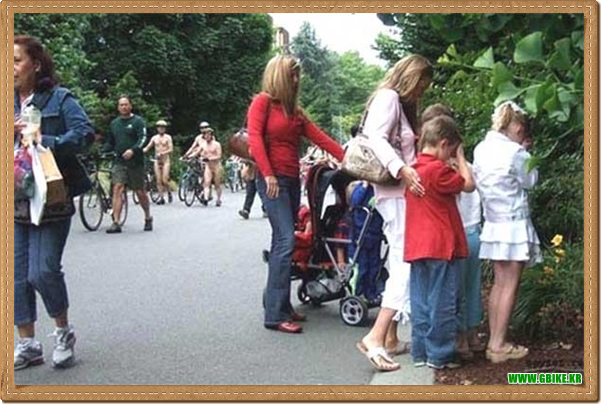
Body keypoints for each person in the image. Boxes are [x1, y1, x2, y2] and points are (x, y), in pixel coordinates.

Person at [248, 54, 345, 334]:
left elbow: (320, 137)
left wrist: (350, 157)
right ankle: (275, 315)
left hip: (290, 181)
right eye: (291, 74)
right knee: (285, 240)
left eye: (297, 74)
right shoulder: (262, 103)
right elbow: (255, 139)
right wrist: (268, 174)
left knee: (282, 241)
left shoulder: (295, 112)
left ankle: (279, 304)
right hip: (272, 181)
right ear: (278, 75)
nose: (296, 79)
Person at [13, 35, 94, 369]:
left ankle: (63, 332)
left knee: (43, 271)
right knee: (16, 275)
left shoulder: (60, 98)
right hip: (14, 199)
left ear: (36, 64)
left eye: (16, 60)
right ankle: (28, 344)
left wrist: (45, 139)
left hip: (51, 197)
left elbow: (84, 134)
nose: (10, 67)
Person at [357, 54, 432, 371]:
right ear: (412, 78)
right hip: (396, 193)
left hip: (395, 193)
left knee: (397, 261)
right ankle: (375, 336)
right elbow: (376, 137)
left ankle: (388, 337)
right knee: (404, 264)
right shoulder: (389, 98)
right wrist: (401, 168)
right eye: (421, 84)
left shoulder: (393, 100)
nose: (421, 92)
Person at [473, 101, 542, 363]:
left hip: (493, 222)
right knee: (510, 285)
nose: (522, 130)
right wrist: (527, 153)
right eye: (520, 125)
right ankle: (499, 344)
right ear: (513, 125)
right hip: (513, 224)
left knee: (498, 284)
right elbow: (531, 181)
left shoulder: (481, 149)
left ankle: (494, 340)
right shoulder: (516, 152)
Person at [404, 115, 475, 369]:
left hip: (417, 246)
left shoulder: (413, 170)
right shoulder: (439, 170)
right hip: (441, 246)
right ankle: (440, 354)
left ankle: (420, 351)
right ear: (444, 144)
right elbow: (469, 185)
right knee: (442, 302)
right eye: (451, 150)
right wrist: (461, 158)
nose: (451, 156)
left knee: (421, 301)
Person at [103, 95, 152, 233]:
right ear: (118, 107)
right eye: (121, 105)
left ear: (130, 106)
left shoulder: (138, 121)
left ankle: (148, 216)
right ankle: (116, 222)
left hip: (135, 162)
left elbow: (143, 139)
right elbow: (110, 142)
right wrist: (102, 151)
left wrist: (133, 150)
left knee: (139, 191)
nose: (123, 107)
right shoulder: (114, 123)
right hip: (119, 161)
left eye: (126, 104)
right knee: (117, 188)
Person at [348, 181, 385, 306]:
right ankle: (357, 293)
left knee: (374, 267)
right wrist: (364, 185)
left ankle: (371, 293)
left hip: (374, 234)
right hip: (360, 236)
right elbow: (355, 202)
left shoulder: (378, 189)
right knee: (361, 268)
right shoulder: (360, 188)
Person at [190, 127, 223, 206]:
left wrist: (210, 158)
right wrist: (189, 157)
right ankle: (205, 198)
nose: (207, 136)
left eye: (208, 134)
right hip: (208, 166)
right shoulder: (203, 145)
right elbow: (196, 152)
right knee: (206, 182)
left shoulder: (217, 144)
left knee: (217, 184)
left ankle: (218, 199)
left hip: (216, 166)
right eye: (205, 135)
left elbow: (219, 155)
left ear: (211, 135)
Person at [143, 119, 173, 204]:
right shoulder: (154, 138)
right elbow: (148, 147)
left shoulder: (168, 137)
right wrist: (142, 151)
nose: (161, 129)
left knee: (164, 180)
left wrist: (163, 153)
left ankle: (169, 191)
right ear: (157, 128)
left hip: (165, 160)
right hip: (157, 160)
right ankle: (161, 197)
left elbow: (171, 149)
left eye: (163, 127)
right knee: (158, 180)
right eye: (159, 127)